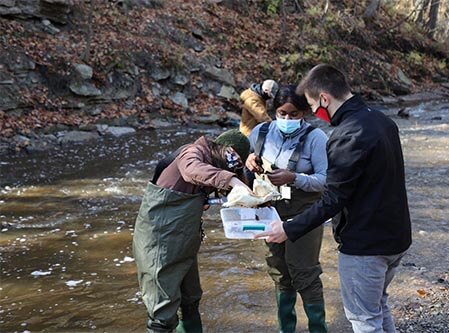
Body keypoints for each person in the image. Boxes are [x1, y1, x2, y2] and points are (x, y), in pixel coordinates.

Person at [256, 64, 412, 333]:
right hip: (396, 237)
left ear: (325, 99)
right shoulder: (382, 120)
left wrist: (288, 228)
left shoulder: (347, 136)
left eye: (314, 107)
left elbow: (332, 199)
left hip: (366, 245)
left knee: (364, 320)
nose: (316, 115)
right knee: (379, 307)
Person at [133, 129, 251, 333]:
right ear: (223, 150)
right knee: (162, 312)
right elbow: (192, 170)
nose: (232, 167)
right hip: (159, 242)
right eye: (232, 161)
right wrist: (231, 180)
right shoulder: (192, 152)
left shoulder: (215, 162)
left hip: (184, 241)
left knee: (190, 299)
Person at [246, 84, 329, 333]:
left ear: (304, 112)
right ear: (274, 111)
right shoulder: (260, 132)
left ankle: (318, 329)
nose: (287, 119)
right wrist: (249, 163)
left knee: (305, 272)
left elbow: (326, 181)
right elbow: (244, 175)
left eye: (294, 114)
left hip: (305, 212)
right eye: (282, 113)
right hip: (271, 210)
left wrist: (294, 177)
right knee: (279, 272)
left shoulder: (316, 138)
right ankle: (286, 329)